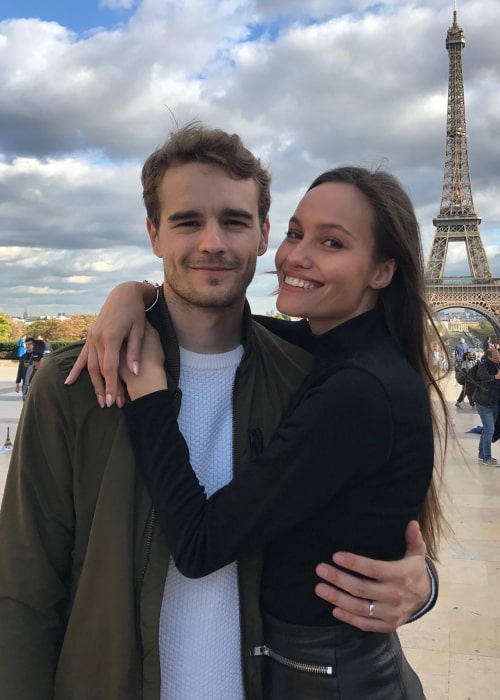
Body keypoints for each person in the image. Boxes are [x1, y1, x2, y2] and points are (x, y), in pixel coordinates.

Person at [0, 124, 437, 700]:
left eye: (233, 221)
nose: (212, 243)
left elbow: (385, 530)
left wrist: (421, 585)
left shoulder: (312, 379)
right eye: (186, 221)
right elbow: (25, 589)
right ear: (154, 234)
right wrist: (134, 293)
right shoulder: (74, 384)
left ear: (260, 235)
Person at [472, 346, 500, 467]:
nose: (498, 358)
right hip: (484, 403)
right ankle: (487, 458)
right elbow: (482, 378)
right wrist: (495, 377)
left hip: (494, 403)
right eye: (495, 357)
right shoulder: (484, 365)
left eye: (498, 356)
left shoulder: (497, 365)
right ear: (489, 357)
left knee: (487, 429)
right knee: (489, 430)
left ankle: (481, 453)